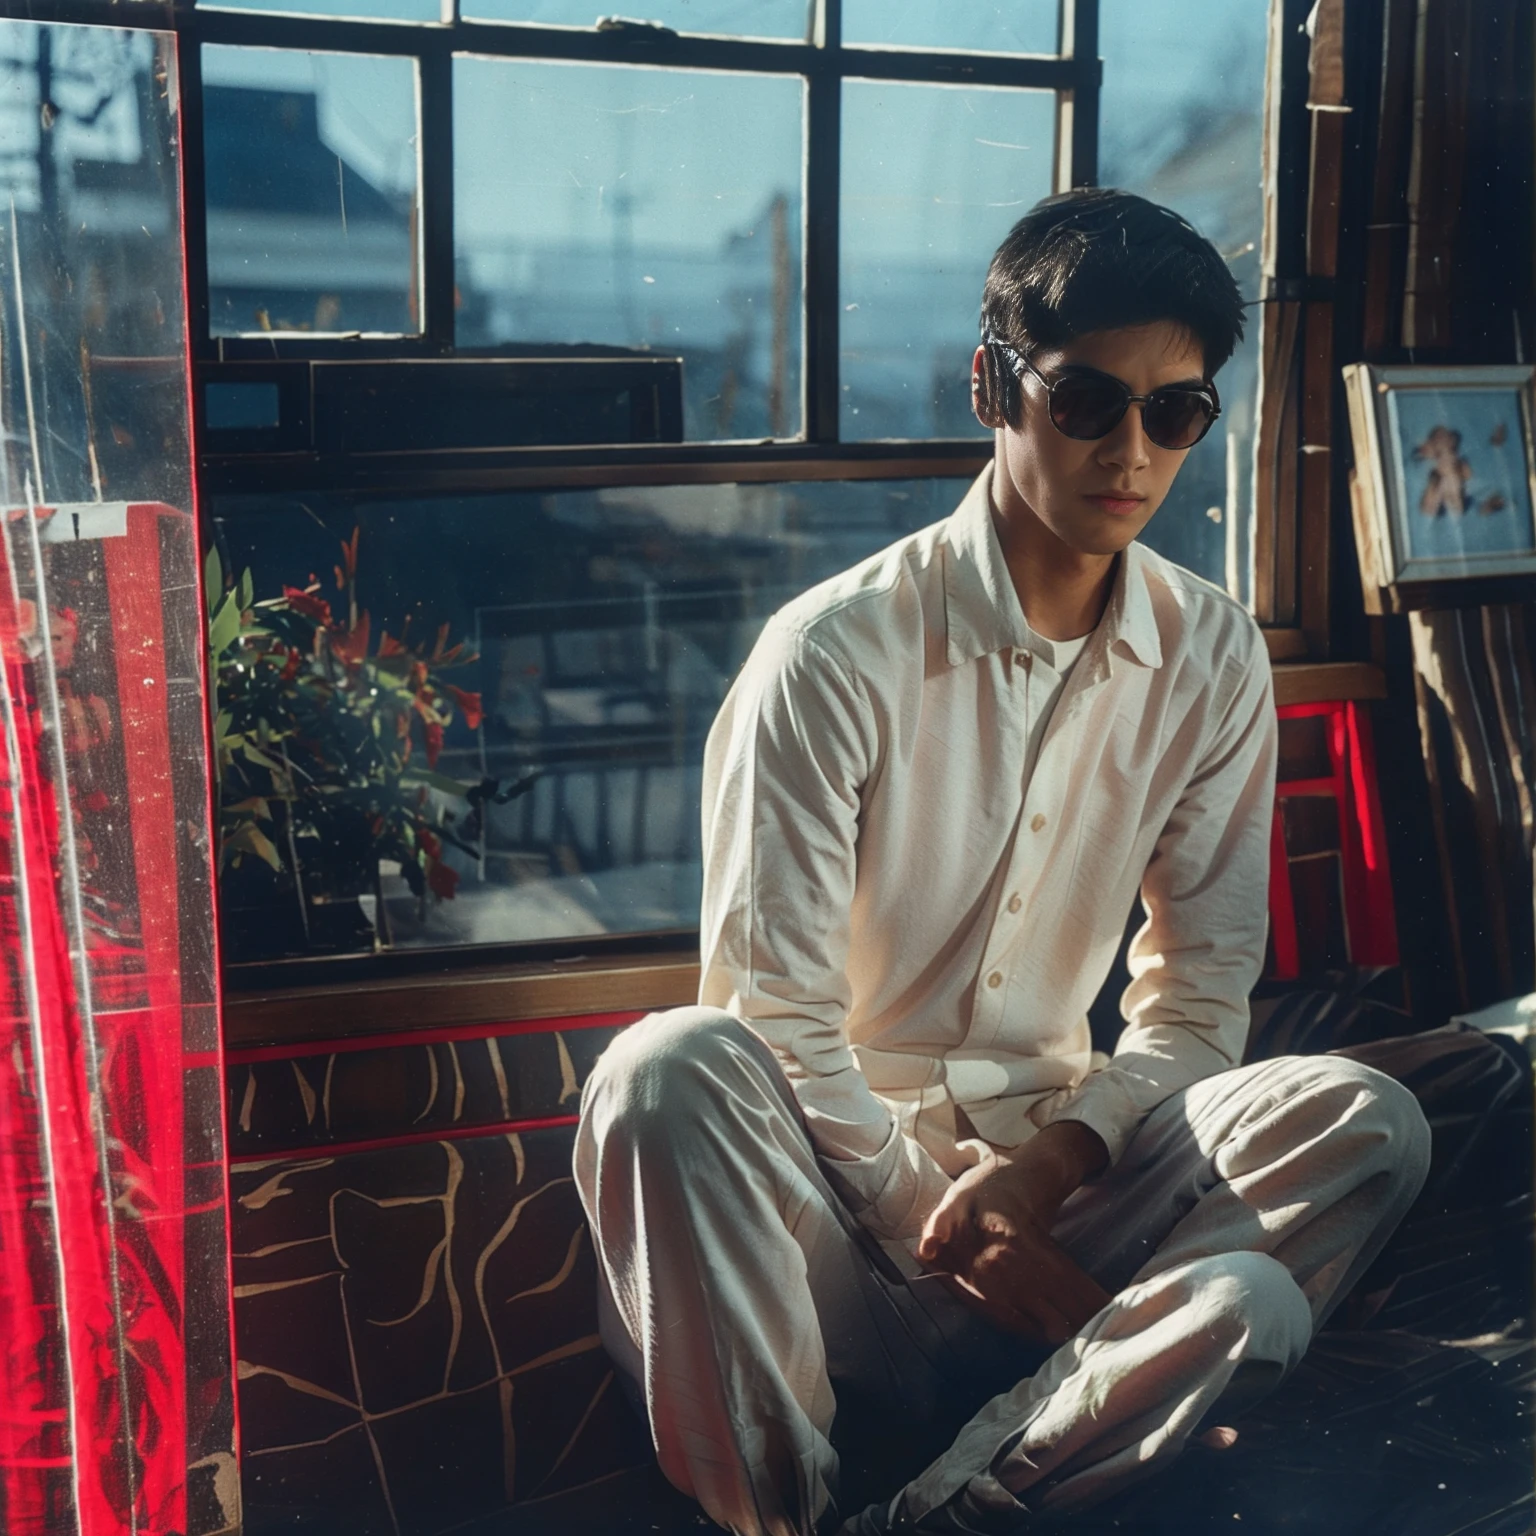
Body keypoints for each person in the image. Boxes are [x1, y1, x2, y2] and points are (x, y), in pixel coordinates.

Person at [574, 188, 1431, 1536]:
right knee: (665, 1069)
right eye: (1089, 402)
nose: (1133, 450)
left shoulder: (1211, 658)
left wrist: (1044, 1177)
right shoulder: (831, 655)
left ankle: (934, 1509)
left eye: (1178, 412)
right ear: (995, 385)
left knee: (1366, 1125)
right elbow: (777, 1024)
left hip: (1067, 1197)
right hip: (835, 1232)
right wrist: (957, 1224)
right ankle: (792, 1516)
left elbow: (1199, 999)